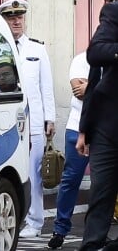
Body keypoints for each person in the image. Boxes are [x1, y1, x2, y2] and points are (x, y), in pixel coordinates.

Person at [0, 0, 56, 238]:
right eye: (11, 18)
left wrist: (50, 119)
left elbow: (47, 87)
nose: (16, 21)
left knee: (35, 174)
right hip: (4, 122)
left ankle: (35, 221)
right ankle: (12, 218)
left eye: (19, 17)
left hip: (33, 123)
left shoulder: (36, 49)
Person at [76, 0, 118, 251]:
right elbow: (95, 56)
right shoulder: (113, 16)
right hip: (108, 127)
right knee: (100, 196)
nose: (112, 2)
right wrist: (85, 130)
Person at [47, 51, 90, 249]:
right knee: (70, 180)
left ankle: (97, 232)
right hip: (77, 127)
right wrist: (105, 89)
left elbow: (90, 92)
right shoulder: (81, 59)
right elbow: (78, 92)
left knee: (103, 184)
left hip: (106, 130)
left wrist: (91, 87)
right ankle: (60, 229)